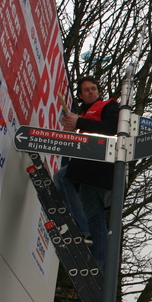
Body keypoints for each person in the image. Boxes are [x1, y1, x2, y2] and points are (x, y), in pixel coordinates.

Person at [56, 76, 118, 271]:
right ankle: (98, 267)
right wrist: (72, 127)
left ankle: (82, 229)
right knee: (96, 217)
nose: (91, 91)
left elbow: (112, 128)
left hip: (100, 163)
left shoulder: (109, 106)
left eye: (94, 88)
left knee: (62, 178)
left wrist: (79, 122)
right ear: (81, 96)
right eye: (87, 90)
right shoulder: (82, 113)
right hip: (91, 167)